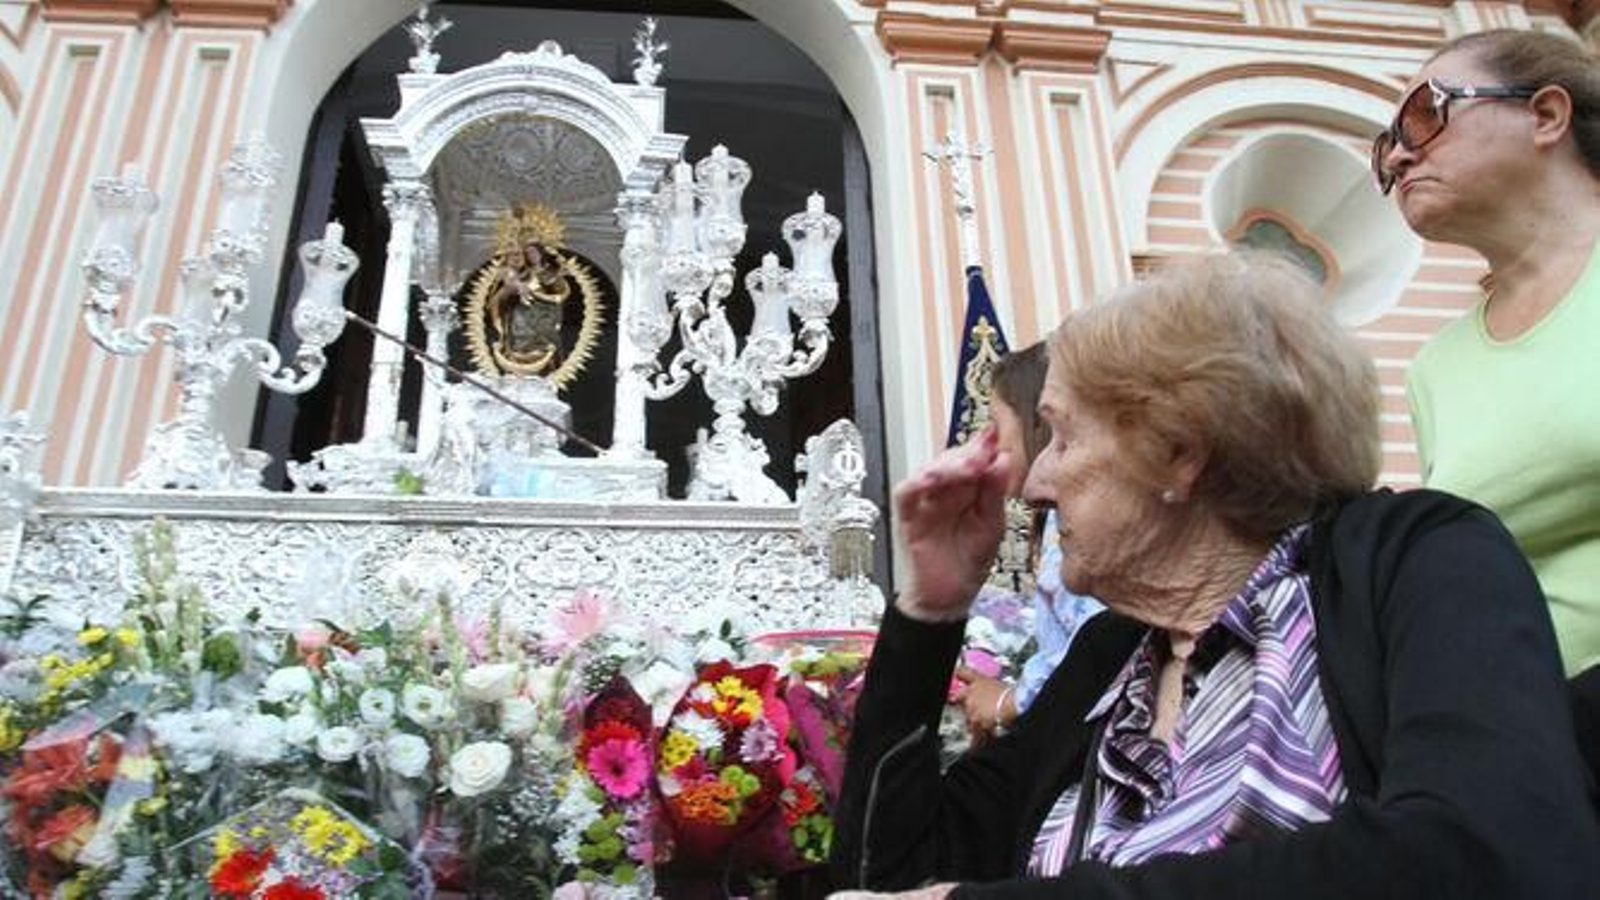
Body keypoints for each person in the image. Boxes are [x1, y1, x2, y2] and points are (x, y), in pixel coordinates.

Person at [829, 251, 1598, 898]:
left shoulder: (1410, 558)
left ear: (1176, 449)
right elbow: (892, 875)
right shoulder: (1111, 657)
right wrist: (931, 612)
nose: (1034, 486)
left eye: (1059, 436)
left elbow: (1488, 853)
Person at [1381, 29, 1600, 681]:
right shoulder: (1436, 369)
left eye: (1425, 114)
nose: (1396, 158)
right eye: (1385, 145)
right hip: (1538, 745)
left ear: (1546, 116)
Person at [954, 343, 1102, 739]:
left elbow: (1089, 647)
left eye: (996, 425)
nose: (988, 443)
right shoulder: (1056, 521)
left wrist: (1010, 701)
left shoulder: (1072, 527)